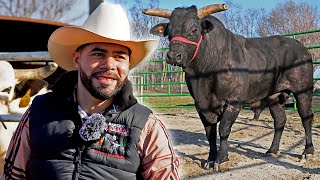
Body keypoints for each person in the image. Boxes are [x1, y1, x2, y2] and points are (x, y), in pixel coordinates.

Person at [1, 2, 180, 180]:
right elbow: (12, 176)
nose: (110, 65)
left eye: (119, 56)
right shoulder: (37, 114)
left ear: (127, 65)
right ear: (77, 59)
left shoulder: (148, 127)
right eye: (98, 54)